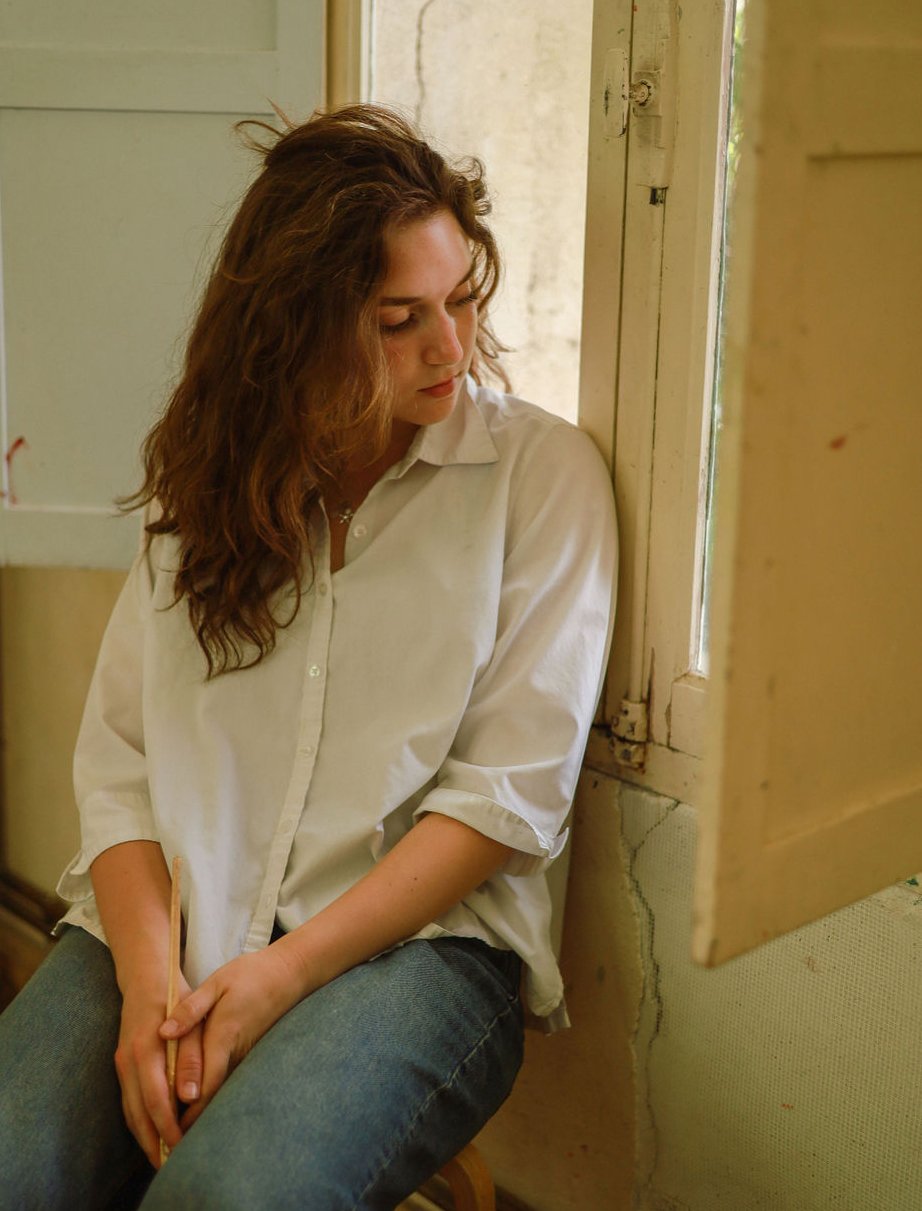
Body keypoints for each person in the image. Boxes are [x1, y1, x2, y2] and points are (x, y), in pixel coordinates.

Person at [0, 104, 616, 1210]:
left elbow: (508, 798)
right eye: (398, 320)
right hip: (176, 924)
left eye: (462, 299)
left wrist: (276, 976)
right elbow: (122, 767)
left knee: (227, 1195)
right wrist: (149, 990)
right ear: (298, 328)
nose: (450, 347)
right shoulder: (210, 479)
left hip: (422, 950)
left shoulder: (541, 477)